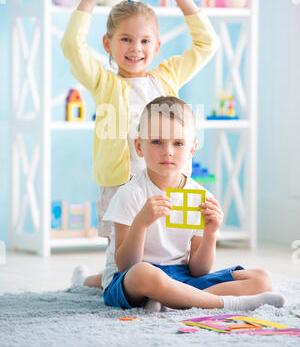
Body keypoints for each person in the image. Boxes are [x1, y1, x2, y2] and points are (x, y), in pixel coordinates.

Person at [61, 0, 219, 290]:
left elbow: (206, 45)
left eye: (145, 40)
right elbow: (72, 47)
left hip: (169, 181)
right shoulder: (104, 83)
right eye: (126, 39)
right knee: (122, 264)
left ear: (157, 46)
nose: (136, 48)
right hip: (123, 186)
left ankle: (124, 284)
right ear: (107, 43)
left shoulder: (167, 76)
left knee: (166, 257)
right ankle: (95, 282)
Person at [101, 96, 285, 311]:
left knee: (262, 279)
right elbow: (126, 266)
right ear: (139, 146)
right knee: (144, 273)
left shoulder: (200, 196)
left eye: (178, 143)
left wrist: (211, 234)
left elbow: (199, 271)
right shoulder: (130, 194)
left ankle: (172, 300)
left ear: (192, 149)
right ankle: (225, 303)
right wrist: (141, 223)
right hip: (136, 279)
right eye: (156, 141)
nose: (168, 151)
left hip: (183, 277)